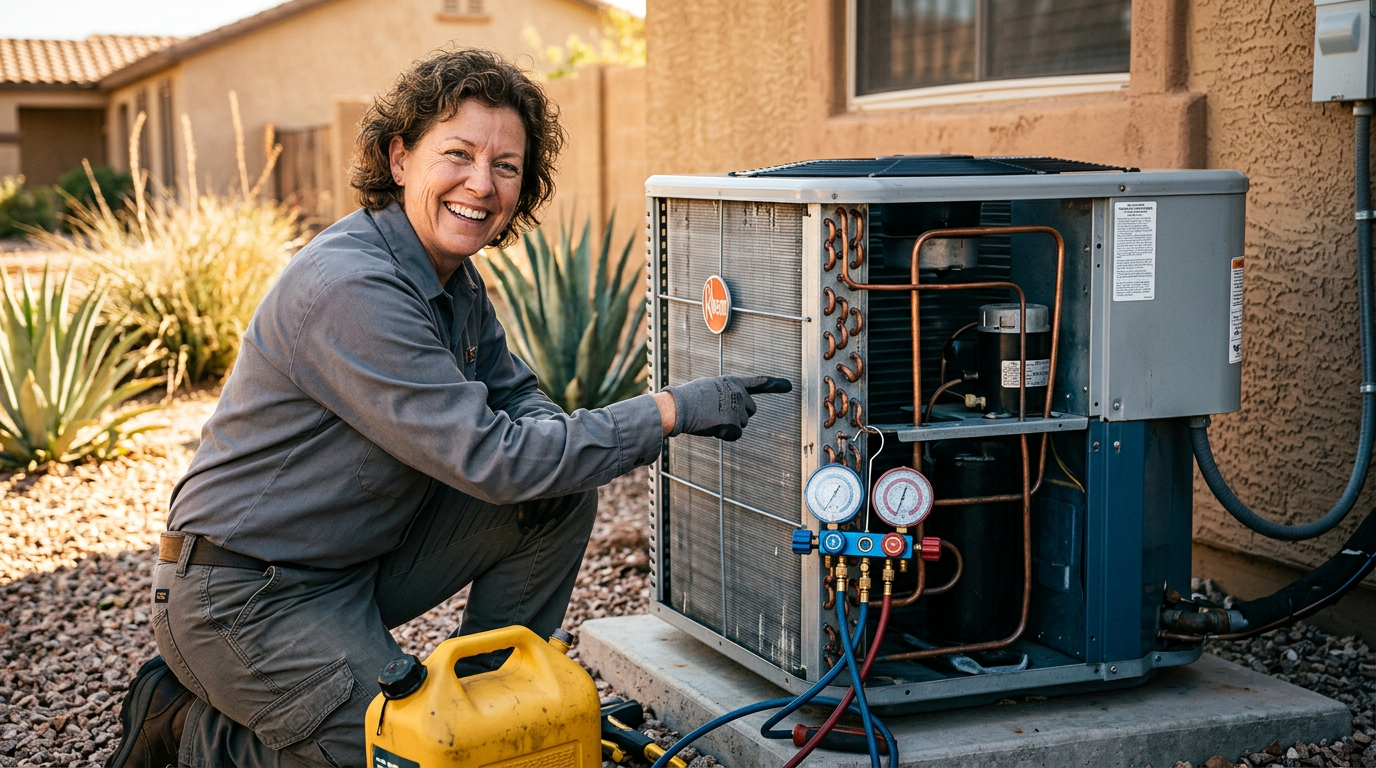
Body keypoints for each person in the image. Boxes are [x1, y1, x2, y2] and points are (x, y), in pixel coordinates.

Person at [104, 48, 789, 768]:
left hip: (353, 563)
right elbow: (492, 458)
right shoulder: (354, 289)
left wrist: (560, 440)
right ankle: (191, 730)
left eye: (506, 166)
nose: (481, 184)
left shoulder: (450, 278)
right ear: (399, 158)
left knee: (551, 503)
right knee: (421, 757)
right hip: (246, 596)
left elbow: (515, 393)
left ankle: (494, 701)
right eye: (457, 153)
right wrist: (667, 412)